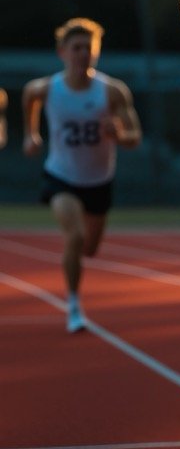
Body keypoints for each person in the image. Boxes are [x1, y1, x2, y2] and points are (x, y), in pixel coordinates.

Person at [22, 18, 142, 333]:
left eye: (88, 48)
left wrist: (118, 134)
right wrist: (30, 134)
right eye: (76, 48)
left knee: (89, 248)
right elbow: (28, 96)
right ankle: (73, 305)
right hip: (60, 176)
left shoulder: (112, 91)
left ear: (96, 52)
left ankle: (75, 289)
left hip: (99, 181)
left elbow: (134, 137)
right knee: (73, 236)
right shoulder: (49, 88)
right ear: (62, 52)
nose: (82, 54)